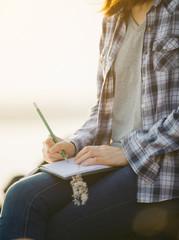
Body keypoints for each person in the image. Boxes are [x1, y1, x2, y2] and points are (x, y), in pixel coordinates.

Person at [0, 0, 178, 239]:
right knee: (20, 194)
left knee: (51, 227)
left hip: (159, 166)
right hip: (110, 160)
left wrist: (128, 150)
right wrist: (74, 144)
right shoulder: (113, 19)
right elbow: (103, 111)